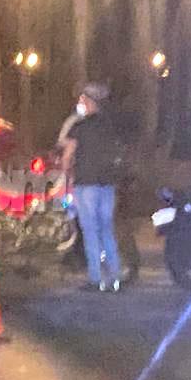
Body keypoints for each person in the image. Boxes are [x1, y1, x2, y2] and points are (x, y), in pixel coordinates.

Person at [61, 82, 128, 292]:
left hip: (86, 185)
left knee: (90, 231)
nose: (80, 102)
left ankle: (95, 278)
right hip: (107, 185)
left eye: (83, 99)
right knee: (106, 230)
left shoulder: (80, 127)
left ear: (89, 102)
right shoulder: (110, 126)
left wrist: (66, 171)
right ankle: (115, 276)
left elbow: (67, 155)